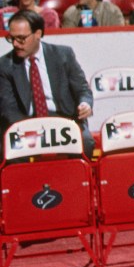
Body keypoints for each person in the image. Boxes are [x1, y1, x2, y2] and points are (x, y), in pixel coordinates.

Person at [0, 10, 94, 157]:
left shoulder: (63, 55)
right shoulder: (5, 65)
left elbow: (83, 90)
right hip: (26, 122)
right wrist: (35, 131)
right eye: (11, 39)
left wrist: (85, 104)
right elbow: (8, 109)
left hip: (63, 118)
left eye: (21, 38)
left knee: (86, 141)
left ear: (37, 34)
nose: (15, 44)